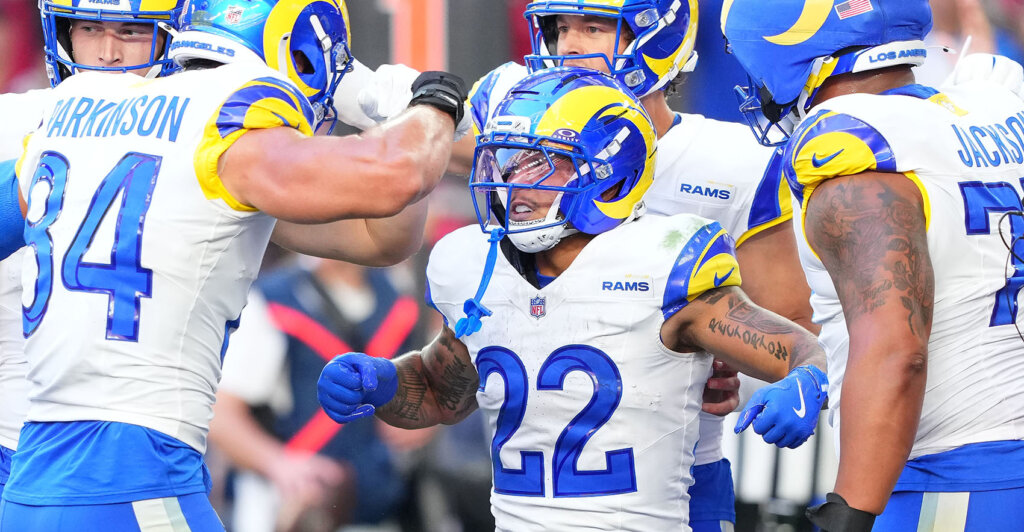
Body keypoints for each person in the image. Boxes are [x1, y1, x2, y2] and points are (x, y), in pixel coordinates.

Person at [340, 3, 821, 529]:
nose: (568, 45)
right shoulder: (514, 106)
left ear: (659, 34)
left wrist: (729, 363)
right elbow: (393, 111)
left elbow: (790, 327)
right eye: (558, 28)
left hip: (672, 478)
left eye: (593, 27)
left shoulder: (732, 162)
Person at [0, 0, 466, 529]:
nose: (108, 53)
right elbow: (396, 175)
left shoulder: (59, 121)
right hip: (126, 468)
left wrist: (384, 119)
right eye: (89, 29)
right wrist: (430, 100)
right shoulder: (216, 122)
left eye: (131, 30)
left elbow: (379, 235)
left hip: (42, 473)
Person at [722, 0, 1024, 529]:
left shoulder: (850, 144)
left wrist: (851, 508)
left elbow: (897, 349)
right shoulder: (997, 102)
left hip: (958, 477)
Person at [211, 259, 424, 532]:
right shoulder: (274, 301)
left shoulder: (399, 297)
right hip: (285, 508)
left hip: (380, 506)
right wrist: (278, 464)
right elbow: (222, 413)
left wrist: (423, 419)